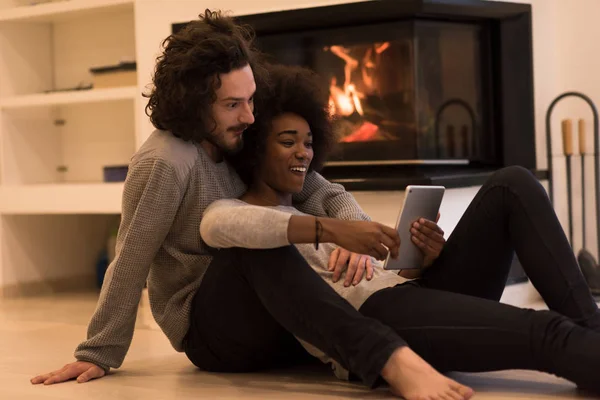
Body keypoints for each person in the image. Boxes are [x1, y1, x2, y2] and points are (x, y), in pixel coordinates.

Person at [29, 10, 455, 400]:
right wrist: (97, 352)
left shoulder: (234, 136)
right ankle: (385, 357)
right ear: (194, 104)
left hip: (268, 306)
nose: (250, 116)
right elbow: (131, 257)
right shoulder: (165, 161)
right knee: (254, 243)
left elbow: (323, 192)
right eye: (233, 104)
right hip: (212, 328)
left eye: (250, 99)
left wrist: (356, 234)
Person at [201, 63, 600, 399]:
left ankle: (593, 330)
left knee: (513, 182)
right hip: (379, 318)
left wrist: (421, 262)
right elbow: (218, 226)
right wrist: (332, 233)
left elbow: (382, 274)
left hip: (408, 294)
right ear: (254, 151)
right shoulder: (239, 220)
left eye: (308, 143)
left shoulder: (320, 200)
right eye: (288, 142)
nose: (303, 152)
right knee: (545, 331)